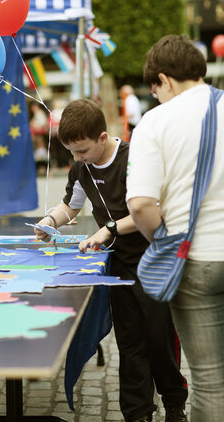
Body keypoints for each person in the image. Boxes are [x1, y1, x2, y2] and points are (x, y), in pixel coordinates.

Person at [34, 98, 188, 422]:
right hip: (116, 266)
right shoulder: (80, 167)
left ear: (102, 138)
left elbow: (153, 210)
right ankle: (138, 412)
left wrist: (109, 228)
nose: (76, 159)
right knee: (130, 342)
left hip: (153, 259)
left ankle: (175, 401)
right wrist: (49, 221)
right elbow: (71, 206)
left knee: (159, 338)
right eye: (72, 153)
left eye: (82, 151)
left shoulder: (136, 160)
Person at [126, 34, 224, 422]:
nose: (156, 97)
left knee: (211, 382)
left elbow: (140, 204)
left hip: (195, 259)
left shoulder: (156, 121)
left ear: (164, 80)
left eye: (155, 90)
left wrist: (163, 241)